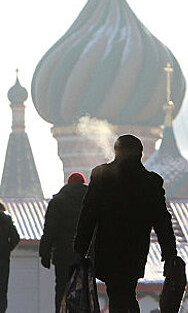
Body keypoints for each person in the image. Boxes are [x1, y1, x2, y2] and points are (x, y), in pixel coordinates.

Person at [74, 134, 178, 312]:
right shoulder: (150, 182)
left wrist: (80, 248)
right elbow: (162, 221)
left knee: (118, 292)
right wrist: (169, 253)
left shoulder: (101, 176)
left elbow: (88, 214)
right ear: (140, 154)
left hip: (108, 247)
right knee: (125, 290)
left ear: (116, 152)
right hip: (135, 248)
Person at [39, 171, 88, 313]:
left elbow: (50, 230)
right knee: (83, 291)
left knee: (62, 290)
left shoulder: (58, 202)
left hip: (63, 256)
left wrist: (45, 254)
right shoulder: (92, 201)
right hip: (86, 256)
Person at [0, 200, 19, 313]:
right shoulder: (6, 218)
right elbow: (15, 237)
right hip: (2, 260)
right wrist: (6, 250)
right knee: (2, 290)